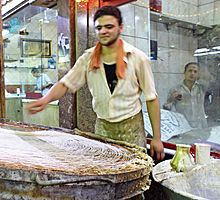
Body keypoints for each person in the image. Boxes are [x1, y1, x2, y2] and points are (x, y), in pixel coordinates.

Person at [27, 6, 164, 160]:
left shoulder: (138, 58)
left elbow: (151, 98)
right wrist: (46, 100)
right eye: (99, 27)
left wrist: (157, 138)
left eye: (109, 26)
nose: (103, 31)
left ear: (120, 28)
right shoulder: (88, 58)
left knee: (134, 173)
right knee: (106, 173)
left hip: (131, 127)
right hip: (102, 127)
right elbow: (66, 83)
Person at [163, 62, 209, 128]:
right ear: (184, 72)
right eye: (190, 71)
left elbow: (211, 80)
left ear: (198, 74)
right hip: (183, 126)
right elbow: (167, 110)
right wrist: (170, 100)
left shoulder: (202, 88)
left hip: (200, 126)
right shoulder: (175, 89)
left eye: (195, 71)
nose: (192, 73)